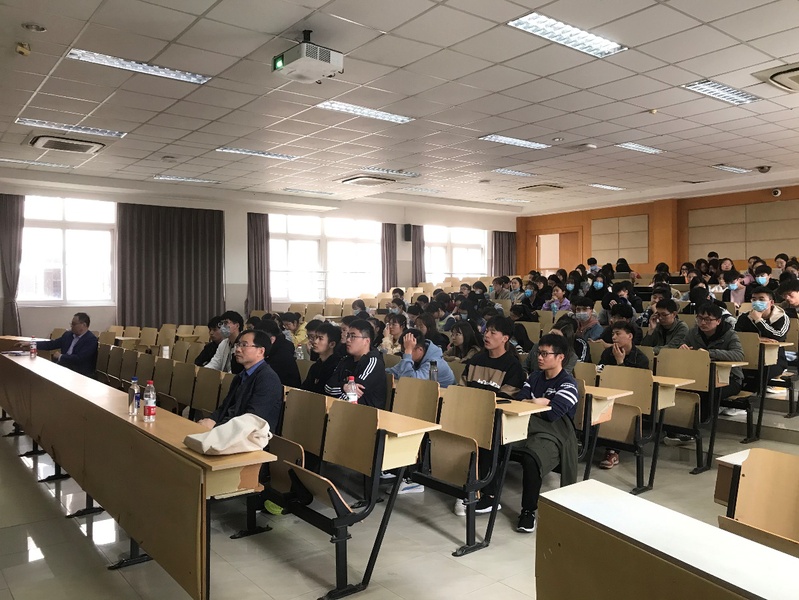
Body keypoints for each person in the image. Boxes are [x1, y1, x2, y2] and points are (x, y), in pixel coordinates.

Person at [511, 334, 579, 533]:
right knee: (495, 441)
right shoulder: (534, 377)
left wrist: (540, 404)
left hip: (556, 434)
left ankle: (528, 511)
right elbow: (519, 402)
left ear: (560, 357)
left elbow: (553, 414)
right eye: (538, 353)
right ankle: (487, 496)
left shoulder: (568, 384)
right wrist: (539, 402)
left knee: (532, 458)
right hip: (528, 426)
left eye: (545, 354)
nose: (539, 358)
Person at [197, 329, 283, 432]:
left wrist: (216, 427)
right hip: (230, 430)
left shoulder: (268, 379)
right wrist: (211, 420)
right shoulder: (240, 376)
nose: (237, 349)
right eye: (238, 345)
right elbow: (224, 408)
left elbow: (252, 420)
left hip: (252, 436)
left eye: (244, 345)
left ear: (260, 351)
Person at [676, 303, 744, 426]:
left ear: (718, 321)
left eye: (707, 319)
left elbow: (738, 355)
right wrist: (682, 348)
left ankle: (696, 426)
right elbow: (681, 346)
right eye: (700, 318)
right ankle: (678, 424)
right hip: (700, 376)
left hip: (729, 379)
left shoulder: (729, 334)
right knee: (682, 388)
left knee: (707, 391)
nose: (702, 323)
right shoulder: (693, 333)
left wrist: (710, 353)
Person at [597, 322, 650, 469]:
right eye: (612, 334)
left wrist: (620, 362)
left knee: (618, 409)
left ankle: (612, 451)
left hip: (631, 398)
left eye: (618, 334)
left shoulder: (641, 359)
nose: (614, 337)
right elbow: (600, 371)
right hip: (608, 392)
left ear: (630, 336)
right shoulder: (608, 353)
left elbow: (636, 385)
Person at [735, 286, 790, 406]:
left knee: (762, 372)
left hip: (774, 359)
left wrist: (759, 320)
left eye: (761, 299)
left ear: (771, 302)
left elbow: (777, 336)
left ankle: (742, 403)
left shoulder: (782, 317)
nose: (757, 302)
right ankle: (733, 399)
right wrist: (757, 339)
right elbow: (736, 336)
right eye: (754, 299)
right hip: (748, 356)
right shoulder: (744, 317)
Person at [326, 319, 387, 408]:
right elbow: (328, 387)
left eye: (353, 336)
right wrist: (344, 387)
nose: (348, 340)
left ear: (366, 341)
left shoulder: (374, 362)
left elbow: (355, 393)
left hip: (365, 412)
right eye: (348, 335)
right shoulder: (346, 360)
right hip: (345, 409)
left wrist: (336, 400)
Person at [460, 316, 525, 398]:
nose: (486, 335)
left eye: (493, 333)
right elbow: (461, 389)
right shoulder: (475, 360)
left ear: (505, 338)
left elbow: (506, 398)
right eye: (486, 331)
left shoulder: (513, 366)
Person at [21, 312, 98, 377]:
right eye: (71, 324)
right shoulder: (68, 335)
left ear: (83, 325)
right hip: (64, 367)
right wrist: (32, 344)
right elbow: (51, 344)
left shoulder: (91, 340)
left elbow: (80, 359)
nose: (71, 326)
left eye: (74, 324)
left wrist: (61, 356)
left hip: (79, 372)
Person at [387, 329, 455, 387]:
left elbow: (409, 382)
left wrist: (408, 353)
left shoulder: (434, 363)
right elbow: (392, 372)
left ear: (420, 350)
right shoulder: (415, 358)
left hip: (446, 396)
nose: (405, 354)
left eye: (408, 350)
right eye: (403, 351)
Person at [257, 319, 301, 388]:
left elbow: (264, 374)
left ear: (271, 339)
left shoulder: (283, 353)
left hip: (284, 389)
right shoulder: (278, 346)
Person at [302, 322, 343, 395]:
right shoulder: (315, 366)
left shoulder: (338, 367)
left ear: (332, 344)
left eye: (320, 339)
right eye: (315, 337)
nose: (315, 342)